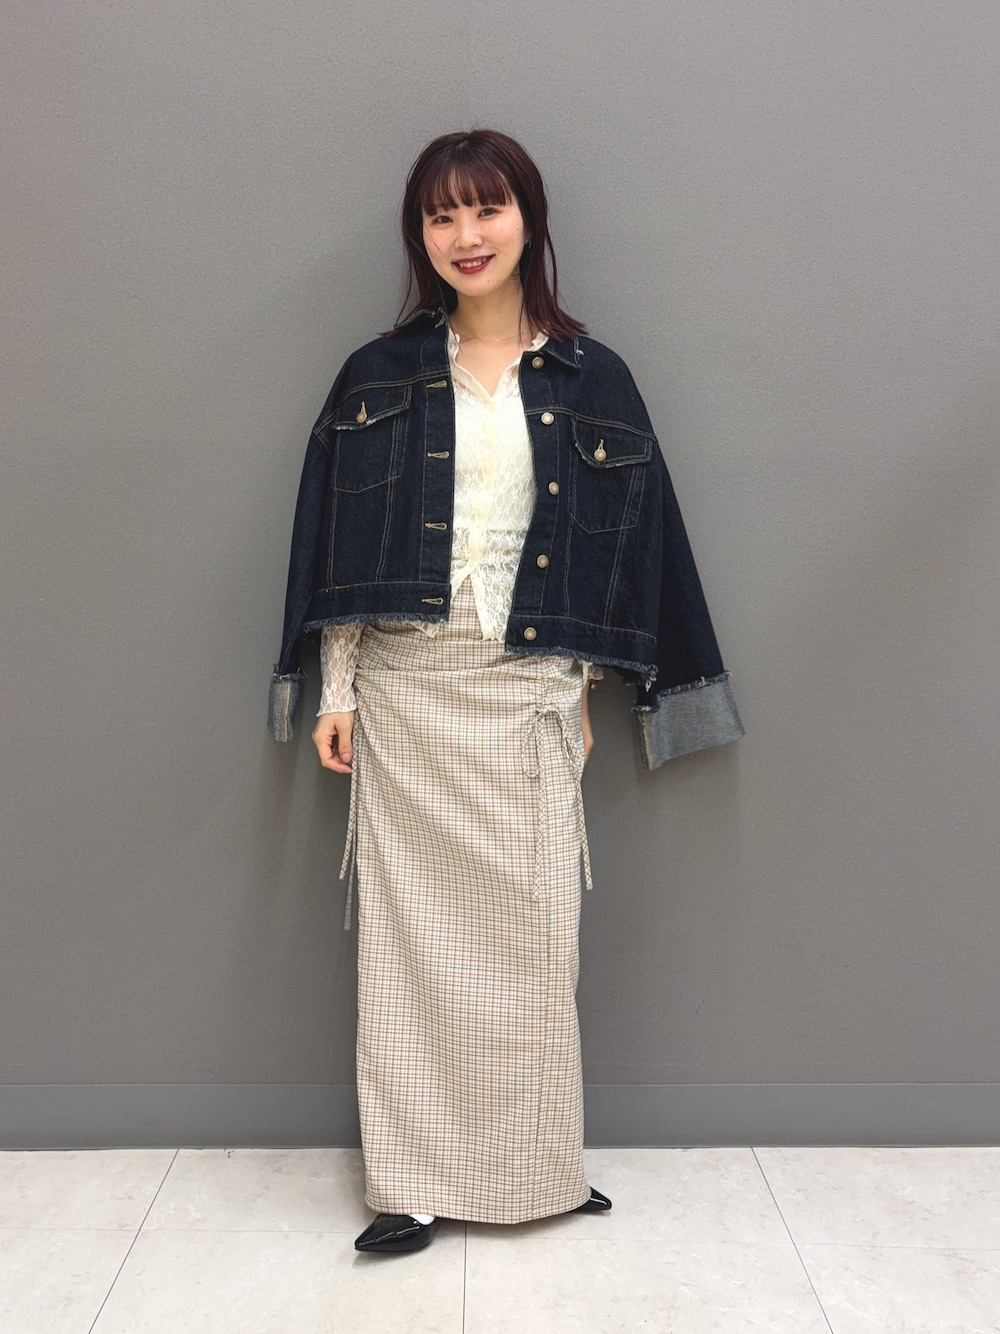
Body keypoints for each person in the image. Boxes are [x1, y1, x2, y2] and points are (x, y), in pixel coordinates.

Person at [268, 129, 744, 1254]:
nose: (465, 236)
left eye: (485, 209)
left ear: (528, 219)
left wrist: (581, 686)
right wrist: (336, 687)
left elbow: (630, 543)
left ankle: (536, 1170)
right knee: (406, 950)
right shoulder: (377, 375)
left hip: (526, 687)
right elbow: (336, 546)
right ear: (419, 237)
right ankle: (410, 1183)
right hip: (405, 689)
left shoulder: (594, 376)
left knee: (535, 944)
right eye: (441, 216)